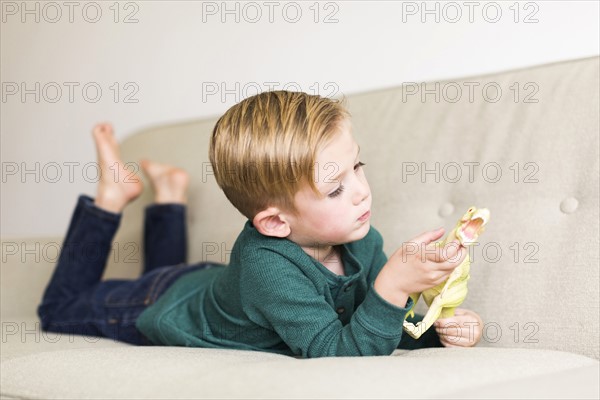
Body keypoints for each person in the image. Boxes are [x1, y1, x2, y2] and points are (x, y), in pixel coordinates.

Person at [38, 91, 483, 358]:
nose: (362, 191)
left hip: (209, 284)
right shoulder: (267, 267)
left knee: (161, 272)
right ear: (275, 222)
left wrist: (436, 334)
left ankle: (169, 198)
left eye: (358, 166)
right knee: (57, 310)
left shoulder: (362, 239)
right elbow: (337, 351)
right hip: (157, 304)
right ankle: (110, 199)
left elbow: (374, 326)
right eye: (334, 189)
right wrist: (393, 286)